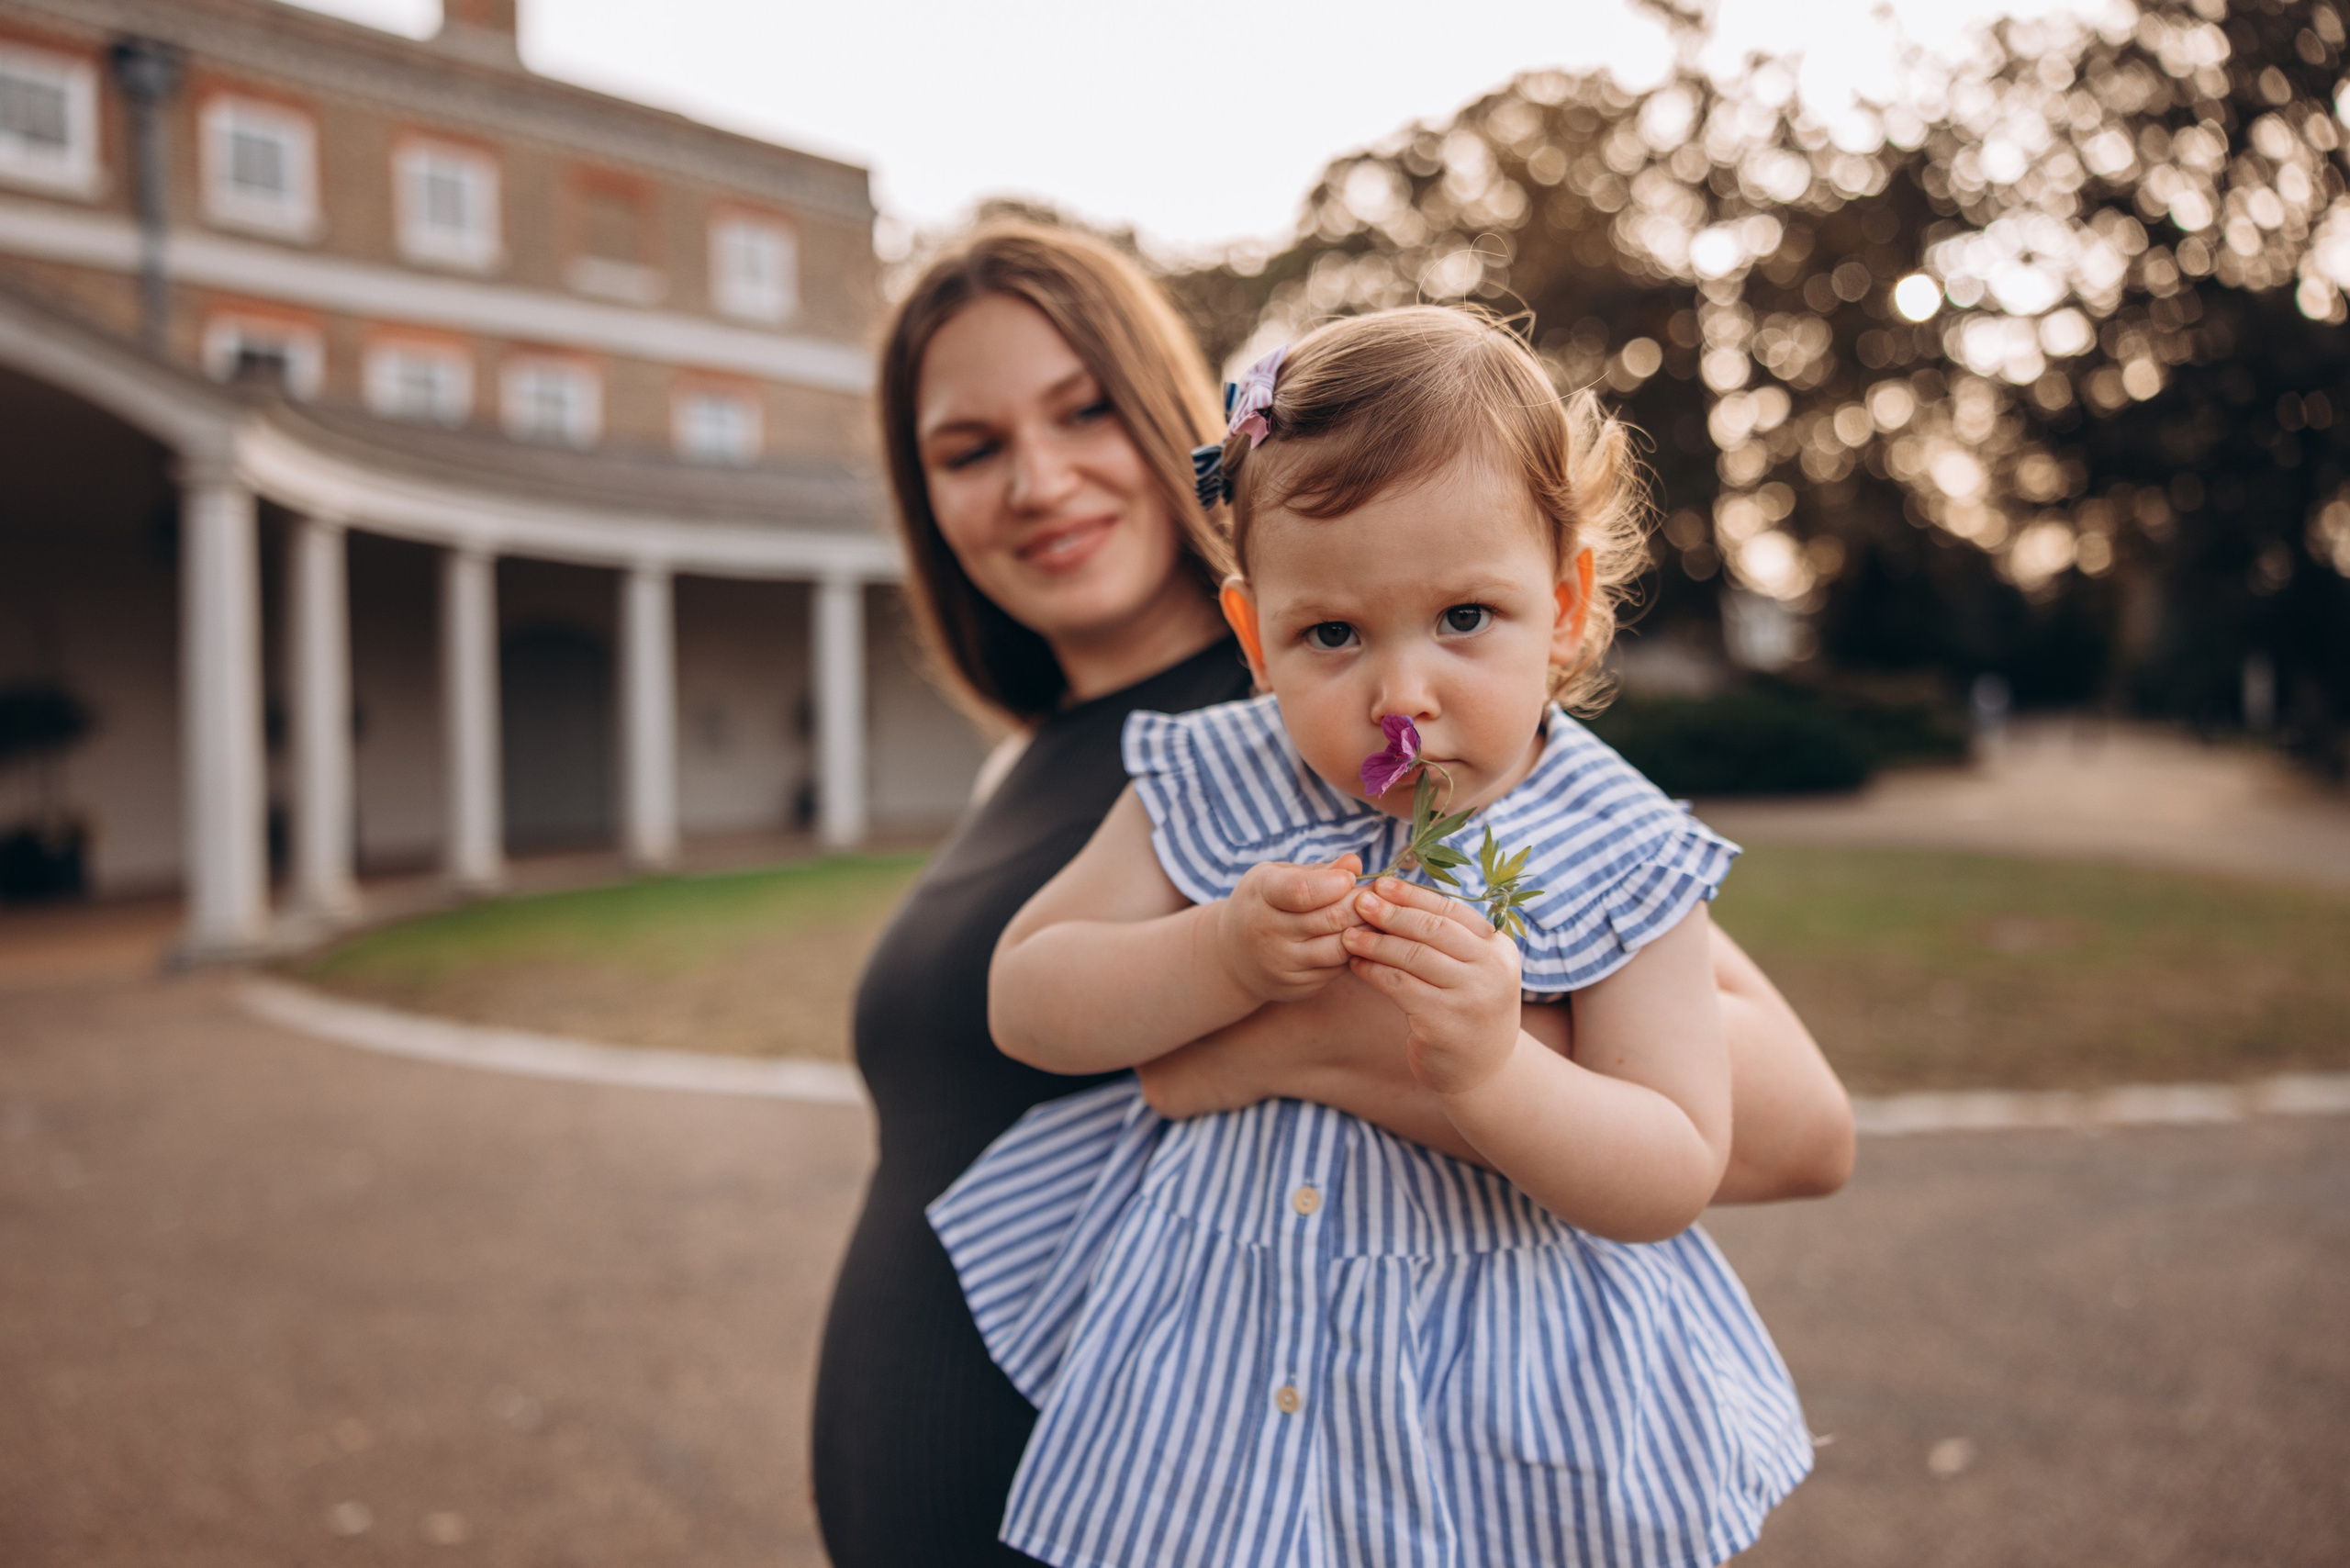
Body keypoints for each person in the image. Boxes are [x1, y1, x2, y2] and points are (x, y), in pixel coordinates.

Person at [811, 224, 1852, 1568]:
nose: (1400, 691)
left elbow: (1773, 1131)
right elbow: (1032, 993)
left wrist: (1441, 1055)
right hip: (1160, 1478)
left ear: (1568, 606)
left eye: (1084, 410)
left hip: (1398, 1464)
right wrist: (1225, 954)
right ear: (1267, 633)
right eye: (968, 448)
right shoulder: (1184, 765)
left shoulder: (1582, 823)